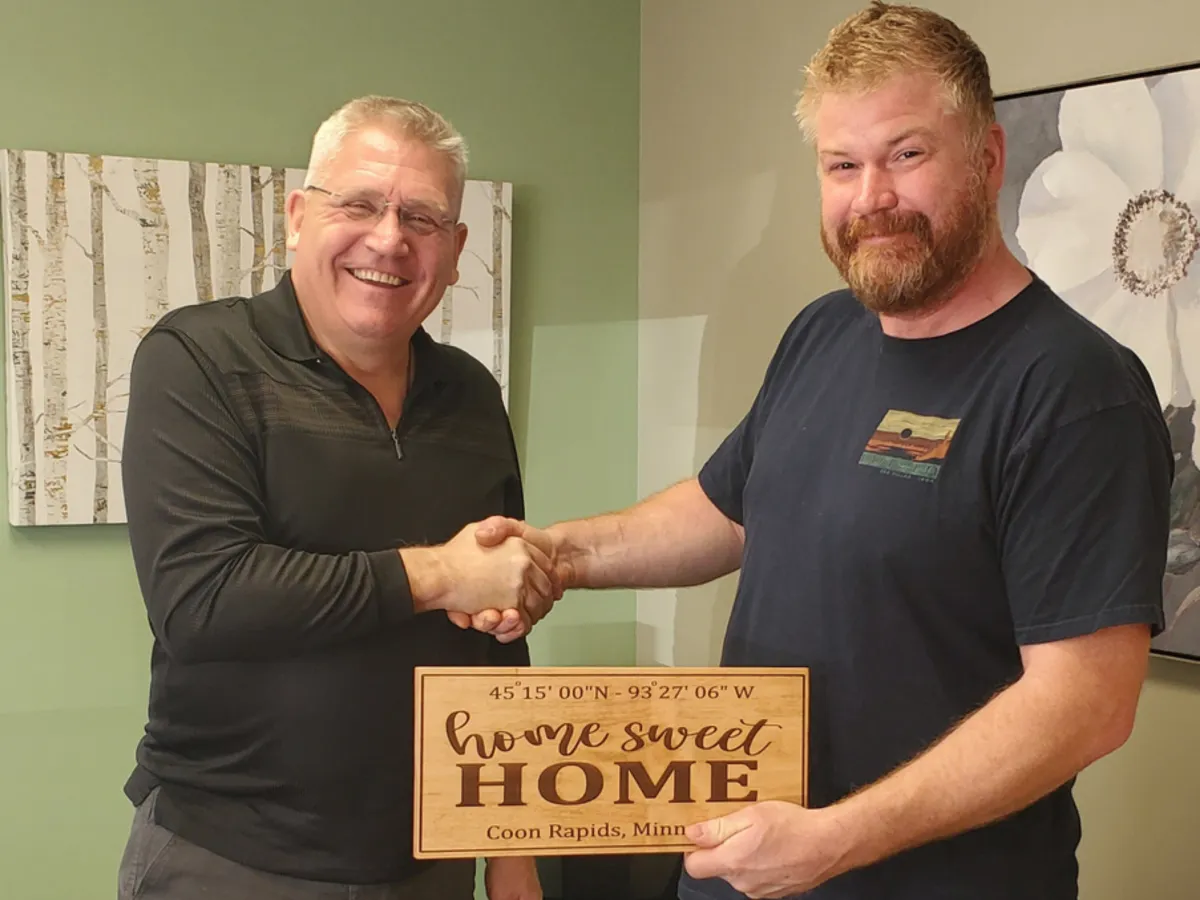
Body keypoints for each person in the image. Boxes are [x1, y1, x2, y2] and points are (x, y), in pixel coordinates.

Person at [463, 4, 1173, 898]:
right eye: (842, 165)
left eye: (906, 154)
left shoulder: (1075, 388)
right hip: (741, 869)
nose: (870, 196)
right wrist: (555, 556)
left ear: (988, 158)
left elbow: (1085, 705)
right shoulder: (824, 331)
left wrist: (835, 840)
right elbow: (728, 512)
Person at [117, 95, 551, 900]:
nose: (389, 238)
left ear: (455, 251)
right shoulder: (198, 359)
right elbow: (202, 599)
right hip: (233, 861)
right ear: (297, 216)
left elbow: (493, 643)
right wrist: (440, 577)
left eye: (422, 218)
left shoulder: (470, 393)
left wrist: (512, 846)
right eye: (359, 203)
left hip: (432, 857)